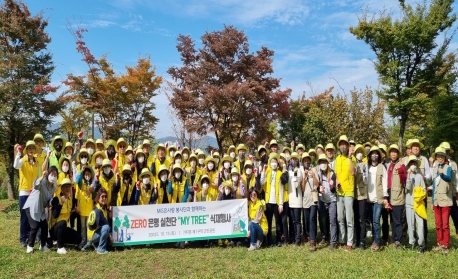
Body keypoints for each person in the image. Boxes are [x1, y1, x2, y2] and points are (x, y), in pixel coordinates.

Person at [22, 167, 58, 253]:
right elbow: (35, 185)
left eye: (55, 175)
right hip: (31, 207)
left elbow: (48, 200)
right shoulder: (42, 182)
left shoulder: (53, 187)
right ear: (48, 175)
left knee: (44, 226)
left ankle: (43, 245)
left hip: (40, 209)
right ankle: (30, 246)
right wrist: (42, 177)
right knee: (34, 226)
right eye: (52, 174)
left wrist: (52, 202)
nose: (53, 176)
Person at [259, 152, 289, 247]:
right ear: (269, 162)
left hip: (276, 202)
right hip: (268, 202)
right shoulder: (267, 171)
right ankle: (269, 240)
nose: (273, 163)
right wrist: (263, 171)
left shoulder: (280, 173)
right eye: (271, 161)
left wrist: (280, 204)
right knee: (268, 221)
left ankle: (278, 239)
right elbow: (262, 182)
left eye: (275, 161)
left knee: (278, 222)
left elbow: (281, 189)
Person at [14, 141, 39, 247]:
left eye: (33, 148)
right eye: (29, 148)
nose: (31, 150)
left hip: (32, 193)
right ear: (26, 150)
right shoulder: (23, 160)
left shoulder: (36, 162)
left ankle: (30, 236)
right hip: (24, 192)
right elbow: (16, 165)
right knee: (24, 216)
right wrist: (18, 153)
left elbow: (37, 177)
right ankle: (22, 238)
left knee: (32, 216)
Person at [431, 146, 454, 255]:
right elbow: (434, 186)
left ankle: (445, 245)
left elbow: (449, 179)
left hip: (445, 200)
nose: (439, 158)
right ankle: (439, 243)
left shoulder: (448, 168)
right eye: (438, 156)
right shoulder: (435, 169)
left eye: (441, 156)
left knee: (445, 225)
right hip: (436, 200)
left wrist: (442, 174)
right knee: (438, 224)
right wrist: (432, 202)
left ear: (445, 158)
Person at [49, 178, 82, 254]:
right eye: (65, 187)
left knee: (78, 239)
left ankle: (61, 241)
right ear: (62, 188)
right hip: (54, 229)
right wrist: (60, 204)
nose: (67, 189)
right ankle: (60, 247)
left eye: (69, 187)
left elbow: (70, 214)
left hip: (63, 228)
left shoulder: (70, 199)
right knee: (63, 222)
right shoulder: (56, 199)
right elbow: (54, 214)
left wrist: (76, 212)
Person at [334, 135, 355, 251]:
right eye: (341, 144)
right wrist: (337, 181)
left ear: (347, 146)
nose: (343, 146)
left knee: (349, 219)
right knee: (340, 218)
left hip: (349, 192)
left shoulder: (352, 158)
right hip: (339, 192)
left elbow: (352, 172)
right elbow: (336, 174)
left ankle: (350, 242)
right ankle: (342, 239)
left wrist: (350, 158)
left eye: (344, 144)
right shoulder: (337, 159)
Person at [366, 146, 388, 252]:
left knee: (376, 221)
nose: (374, 155)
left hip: (378, 198)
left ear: (378, 156)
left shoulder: (382, 167)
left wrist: (385, 197)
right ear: (370, 155)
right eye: (372, 153)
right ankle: (374, 239)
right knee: (372, 221)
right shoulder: (367, 167)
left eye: (376, 153)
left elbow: (385, 182)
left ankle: (377, 242)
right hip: (368, 199)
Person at [386, 144, 407, 248]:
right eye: (392, 152)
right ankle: (393, 238)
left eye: (395, 152)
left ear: (398, 154)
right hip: (389, 194)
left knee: (398, 219)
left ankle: (399, 240)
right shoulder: (388, 165)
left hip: (398, 195)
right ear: (389, 154)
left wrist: (400, 171)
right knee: (392, 219)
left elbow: (404, 179)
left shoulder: (401, 165)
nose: (393, 154)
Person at [316, 154, 338, 251]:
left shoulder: (332, 173)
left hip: (332, 200)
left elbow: (334, 190)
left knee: (332, 221)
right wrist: (319, 189)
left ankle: (333, 242)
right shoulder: (318, 173)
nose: (323, 164)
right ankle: (325, 237)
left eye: (324, 162)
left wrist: (332, 187)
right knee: (323, 220)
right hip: (323, 200)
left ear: (327, 163)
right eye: (321, 162)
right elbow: (317, 186)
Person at [405, 155, 426, 253]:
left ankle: (421, 244)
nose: (413, 165)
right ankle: (411, 242)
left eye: (414, 163)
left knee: (420, 224)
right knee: (410, 224)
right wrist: (409, 176)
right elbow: (407, 188)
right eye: (411, 163)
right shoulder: (407, 175)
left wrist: (420, 194)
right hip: (409, 203)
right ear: (409, 165)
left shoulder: (419, 176)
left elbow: (424, 190)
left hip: (418, 204)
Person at [300, 153, 319, 251]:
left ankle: (313, 241)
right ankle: (309, 235)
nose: (306, 162)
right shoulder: (302, 172)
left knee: (312, 218)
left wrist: (313, 175)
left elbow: (317, 184)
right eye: (305, 161)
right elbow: (302, 189)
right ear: (303, 162)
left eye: (308, 160)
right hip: (305, 200)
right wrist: (304, 177)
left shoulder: (314, 170)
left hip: (313, 199)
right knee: (307, 220)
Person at [440, 142, 458, 239]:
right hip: (442, 194)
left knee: (455, 214)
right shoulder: (437, 164)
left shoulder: (453, 164)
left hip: (452, 193)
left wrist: (457, 191)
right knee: (443, 217)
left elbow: (456, 178)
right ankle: (443, 237)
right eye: (444, 151)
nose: (446, 153)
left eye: (447, 151)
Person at [75, 165, 95, 249]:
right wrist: (81, 171)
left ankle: (89, 241)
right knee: (83, 227)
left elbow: (94, 196)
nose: (87, 176)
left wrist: (92, 190)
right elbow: (77, 180)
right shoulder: (81, 183)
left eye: (88, 174)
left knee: (89, 226)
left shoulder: (92, 185)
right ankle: (83, 241)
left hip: (90, 209)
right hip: (82, 209)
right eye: (85, 174)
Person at [87, 188, 112, 254]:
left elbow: (107, 221)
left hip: (98, 232)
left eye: (105, 196)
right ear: (98, 198)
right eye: (102, 196)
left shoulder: (104, 208)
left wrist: (109, 213)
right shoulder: (97, 210)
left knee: (110, 245)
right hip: (92, 235)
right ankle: (101, 249)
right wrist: (110, 236)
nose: (104, 198)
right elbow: (105, 224)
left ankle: (96, 245)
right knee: (106, 227)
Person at [353, 144, 368, 249]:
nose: (359, 154)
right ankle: (357, 239)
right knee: (356, 219)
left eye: (361, 152)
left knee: (362, 219)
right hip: (353, 194)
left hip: (362, 194)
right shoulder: (352, 164)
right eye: (357, 152)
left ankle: (362, 241)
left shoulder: (365, 165)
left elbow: (366, 180)